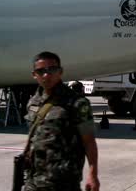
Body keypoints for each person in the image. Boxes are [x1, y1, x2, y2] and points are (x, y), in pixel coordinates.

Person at [24, 51, 99, 191]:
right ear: (34, 75)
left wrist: (93, 174)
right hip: (33, 180)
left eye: (52, 69)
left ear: (60, 72)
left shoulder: (77, 103)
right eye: (41, 71)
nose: (47, 75)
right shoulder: (33, 102)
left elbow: (89, 141)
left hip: (62, 181)